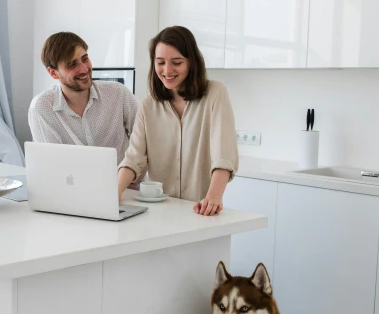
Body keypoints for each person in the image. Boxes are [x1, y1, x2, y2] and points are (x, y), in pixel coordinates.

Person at [117, 26, 239, 216]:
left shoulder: (215, 93)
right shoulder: (148, 106)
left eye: (177, 62)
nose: (167, 70)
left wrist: (213, 198)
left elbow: (223, 155)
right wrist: (115, 192)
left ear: (192, 62)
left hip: (202, 211)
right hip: (160, 213)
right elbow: (134, 158)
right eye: (160, 62)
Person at [29, 32, 138, 164]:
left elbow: (144, 140)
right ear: (53, 72)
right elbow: (51, 163)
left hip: (125, 183)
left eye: (85, 58)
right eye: (72, 64)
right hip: (72, 183)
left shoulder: (118, 94)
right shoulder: (42, 107)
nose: (84, 69)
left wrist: (134, 174)